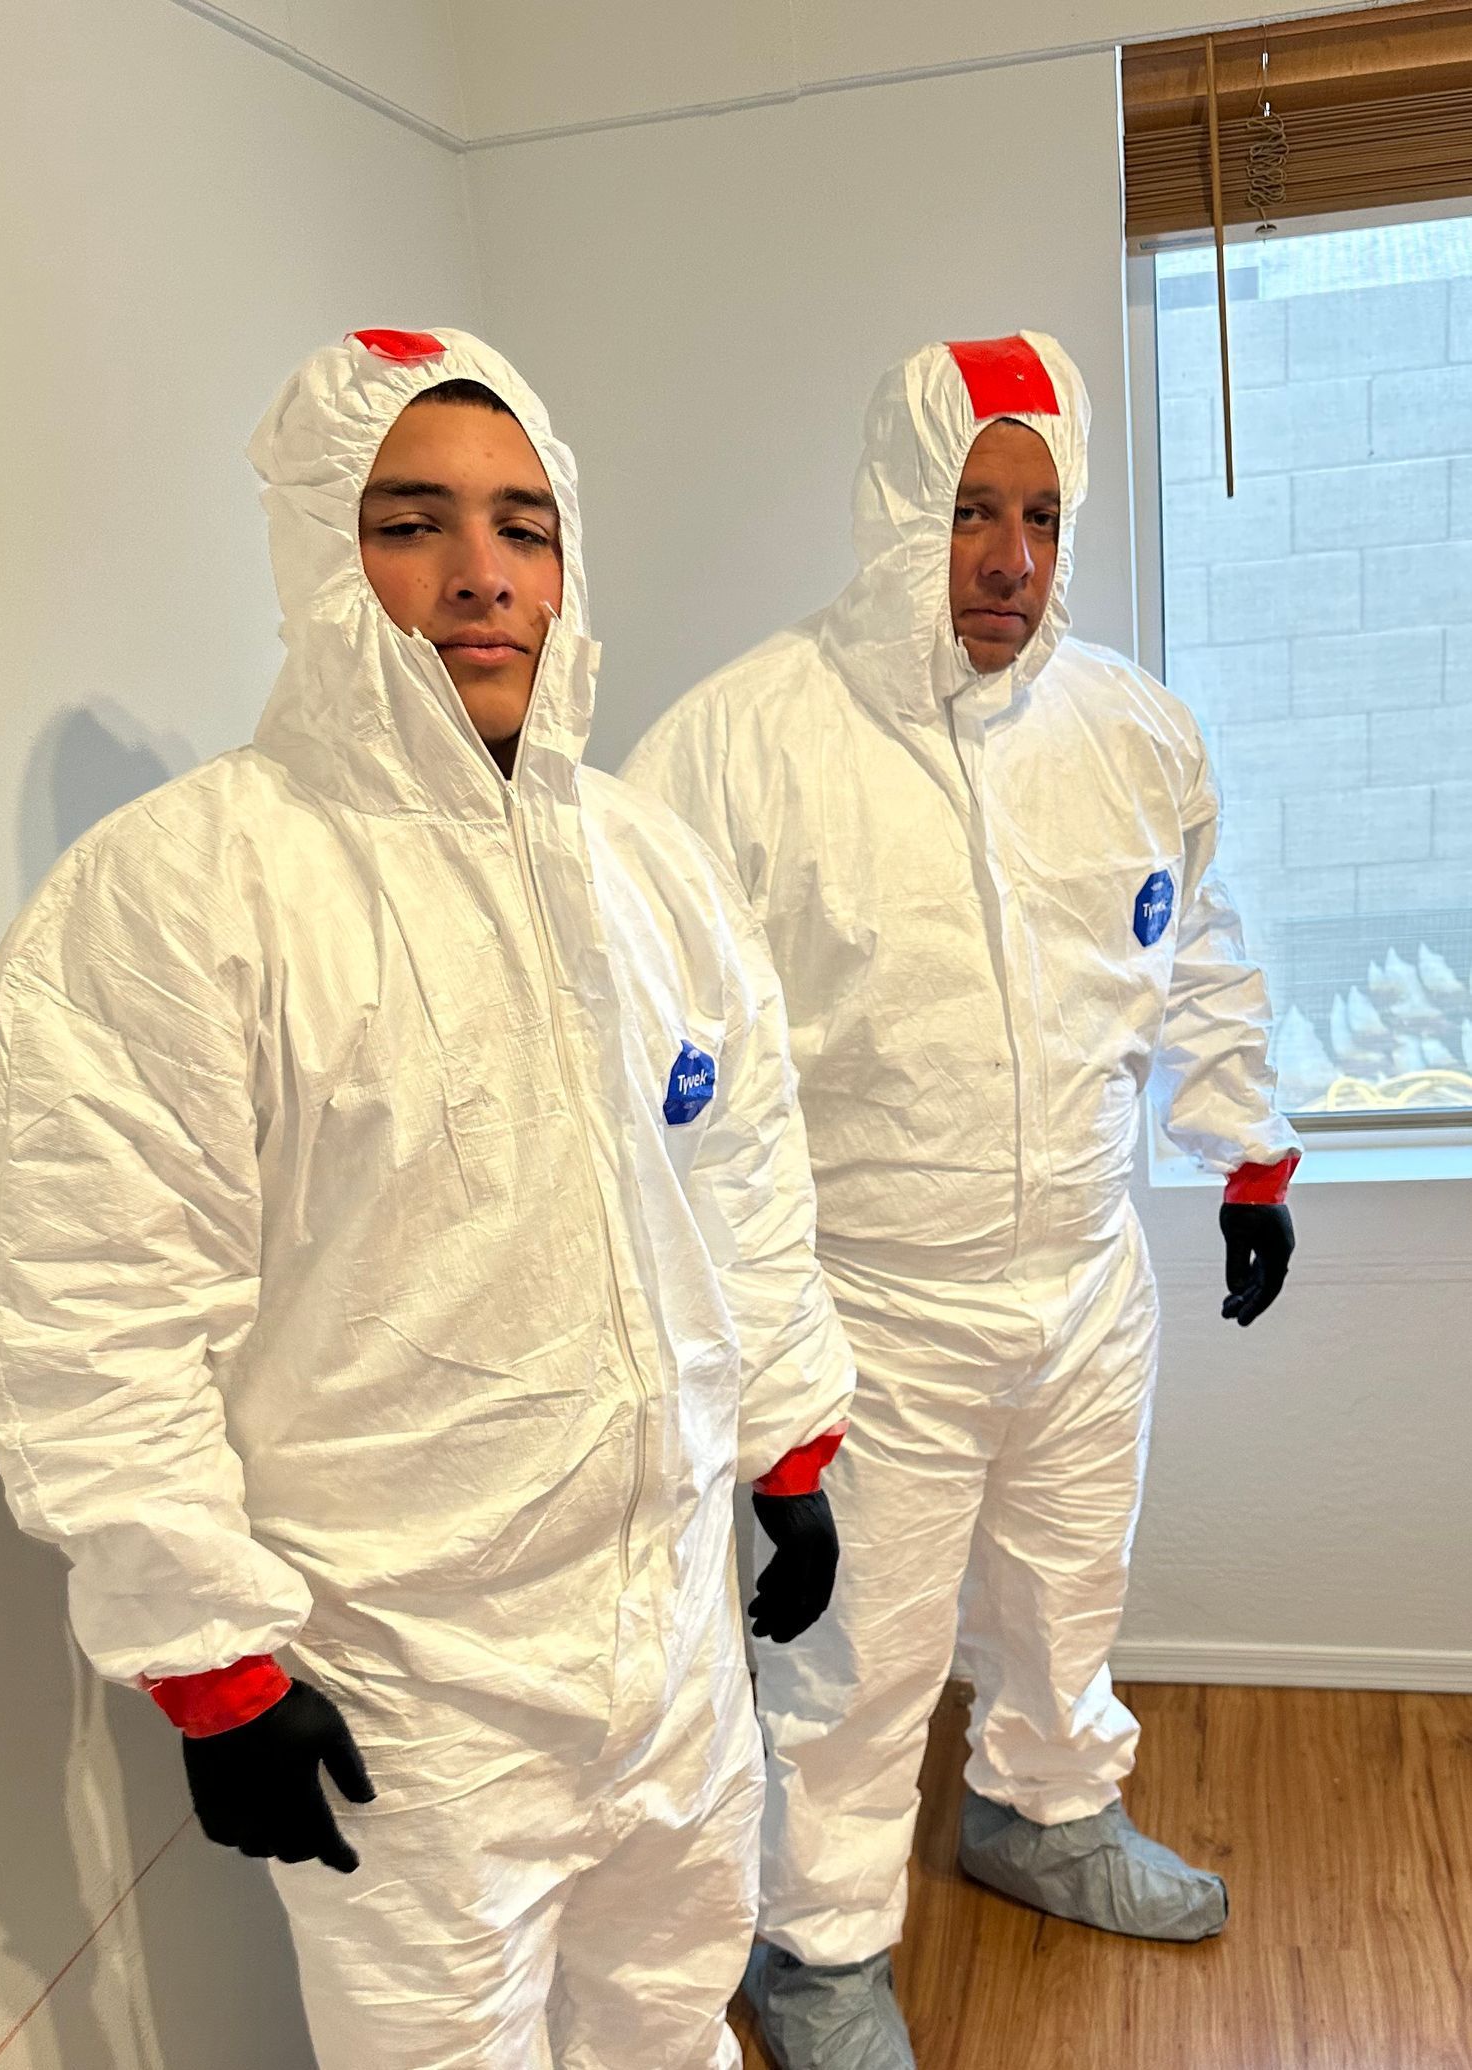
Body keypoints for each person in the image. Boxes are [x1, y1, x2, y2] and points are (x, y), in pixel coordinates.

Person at [0, 327, 855, 2070]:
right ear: (321, 556)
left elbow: (743, 1178)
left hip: (670, 1639)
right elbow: (98, 1314)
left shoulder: (649, 869)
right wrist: (208, 1657)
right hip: (408, 1692)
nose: (481, 577)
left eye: (524, 528)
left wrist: (794, 1441)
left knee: (673, 2015)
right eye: (411, 524)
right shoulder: (178, 896)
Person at [624, 330, 1300, 2068]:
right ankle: (820, 1945)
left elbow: (1193, 941)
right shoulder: (736, 748)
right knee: (857, 1654)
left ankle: (1043, 1809)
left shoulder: (1129, 731)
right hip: (872, 1300)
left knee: (1068, 1581)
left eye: (1044, 515)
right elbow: (660, 1071)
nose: (1010, 559)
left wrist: (1242, 1147)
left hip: (1083, 1263)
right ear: (894, 508)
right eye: (971, 509)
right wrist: (741, 1368)